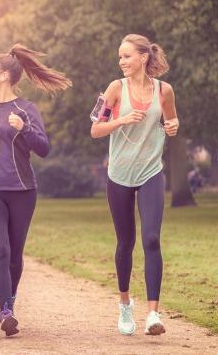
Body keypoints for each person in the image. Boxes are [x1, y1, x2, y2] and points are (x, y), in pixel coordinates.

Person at [0, 44, 71, 336]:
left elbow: (43, 149)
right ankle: (5, 311)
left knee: (15, 255)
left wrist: (24, 128)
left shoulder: (26, 109)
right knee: (0, 249)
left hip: (22, 190)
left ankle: (9, 301)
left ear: (5, 75)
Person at [90, 34, 179, 336]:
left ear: (143, 57)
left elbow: (170, 123)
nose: (122, 62)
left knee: (152, 239)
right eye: (120, 57)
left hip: (151, 171)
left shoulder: (164, 91)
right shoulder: (115, 89)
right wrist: (122, 120)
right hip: (119, 175)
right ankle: (125, 305)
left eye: (127, 56)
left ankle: (153, 314)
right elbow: (95, 129)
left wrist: (173, 125)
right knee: (125, 242)